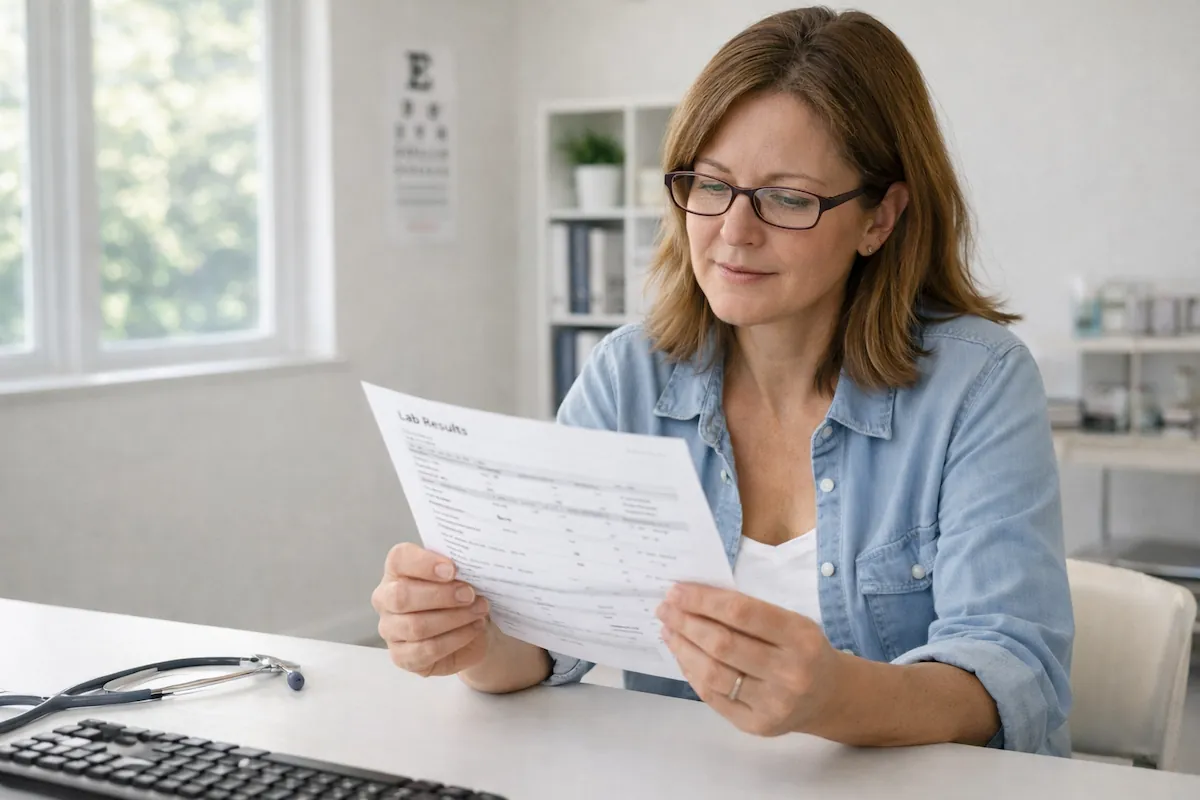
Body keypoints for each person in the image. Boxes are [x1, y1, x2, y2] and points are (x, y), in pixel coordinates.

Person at [371, 6, 1074, 757]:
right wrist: (467, 637)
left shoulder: (978, 383)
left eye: (788, 198)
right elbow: (546, 645)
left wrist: (835, 696)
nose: (734, 231)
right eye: (710, 185)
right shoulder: (629, 375)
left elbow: (1011, 677)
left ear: (880, 218)